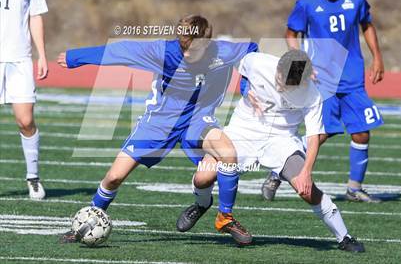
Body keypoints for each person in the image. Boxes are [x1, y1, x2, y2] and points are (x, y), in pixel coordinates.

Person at [57, 15, 257, 245]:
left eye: (193, 49)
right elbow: (122, 50)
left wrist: (246, 86)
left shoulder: (222, 51)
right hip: (160, 122)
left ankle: (224, 217)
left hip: (198, 119)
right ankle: (86, 222)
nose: (188, 54)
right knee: (114, 177)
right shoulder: (164, 51)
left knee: (218, 164)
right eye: (184, 48)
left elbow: (252, 50)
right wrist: (75, 57)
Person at [177, 50, 365, 252]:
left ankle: (344, 237)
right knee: (202, 178)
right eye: (281, 80)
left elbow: (313, 138)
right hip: (242, 131)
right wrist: (244, 87)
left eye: (291, 85)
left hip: (281, 141)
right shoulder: (257, 62)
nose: (283, 87)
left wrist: (306, 173)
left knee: (307, 190)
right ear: (277, 68)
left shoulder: (312, 95)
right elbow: (237, 64)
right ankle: (202, 204)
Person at [261, 0, 384, 203]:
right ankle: (277, 171)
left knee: (361, 132)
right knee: (321, 134)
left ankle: (354, 188)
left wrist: (377, 57)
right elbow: (291, 33)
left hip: (352, 77)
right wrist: (301, 62)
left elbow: (367, 26)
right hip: (322, 78)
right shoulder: (306, 3)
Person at [0, 0, 48, 199]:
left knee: (26, 121)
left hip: (19, 59)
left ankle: (33, 177)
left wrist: (41, 54)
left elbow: (36, 16)